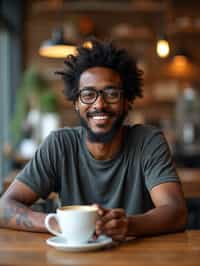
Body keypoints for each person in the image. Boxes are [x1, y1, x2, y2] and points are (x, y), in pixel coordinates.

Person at [0, 39, 187, 240]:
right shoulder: (60, 145)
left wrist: (128, 224)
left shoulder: (148, 141)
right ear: (76, 103)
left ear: (126, 102)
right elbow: (4, 208)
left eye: (111, 93)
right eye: (88, 94)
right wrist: (55, 223)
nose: (99, 104)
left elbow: (176, 212)